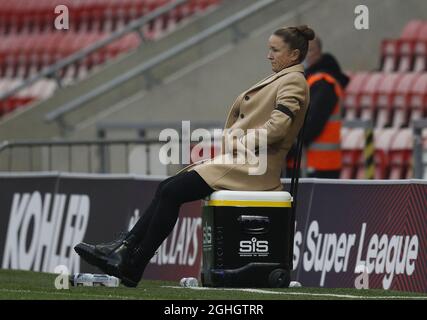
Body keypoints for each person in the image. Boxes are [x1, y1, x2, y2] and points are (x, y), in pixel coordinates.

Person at [74, 25, 315, 287]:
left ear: (293, 55)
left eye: (274, 50)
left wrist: (240, 142)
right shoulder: (285, 78)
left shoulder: (293, 80)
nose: (269, 55)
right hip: (243, 163)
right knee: (168, 188)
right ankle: (126, 254)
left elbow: (278, 128)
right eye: (269, 49)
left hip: (253, 167)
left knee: (172, 191)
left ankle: (130, 258)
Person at [290, 37, 349, 179]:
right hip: (311, 164)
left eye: (309, 50)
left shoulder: (323, 84)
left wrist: (286, 147)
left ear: (319, 52)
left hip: (317, 167)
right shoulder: (309, 80)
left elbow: (311, 126)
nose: (305, 56)